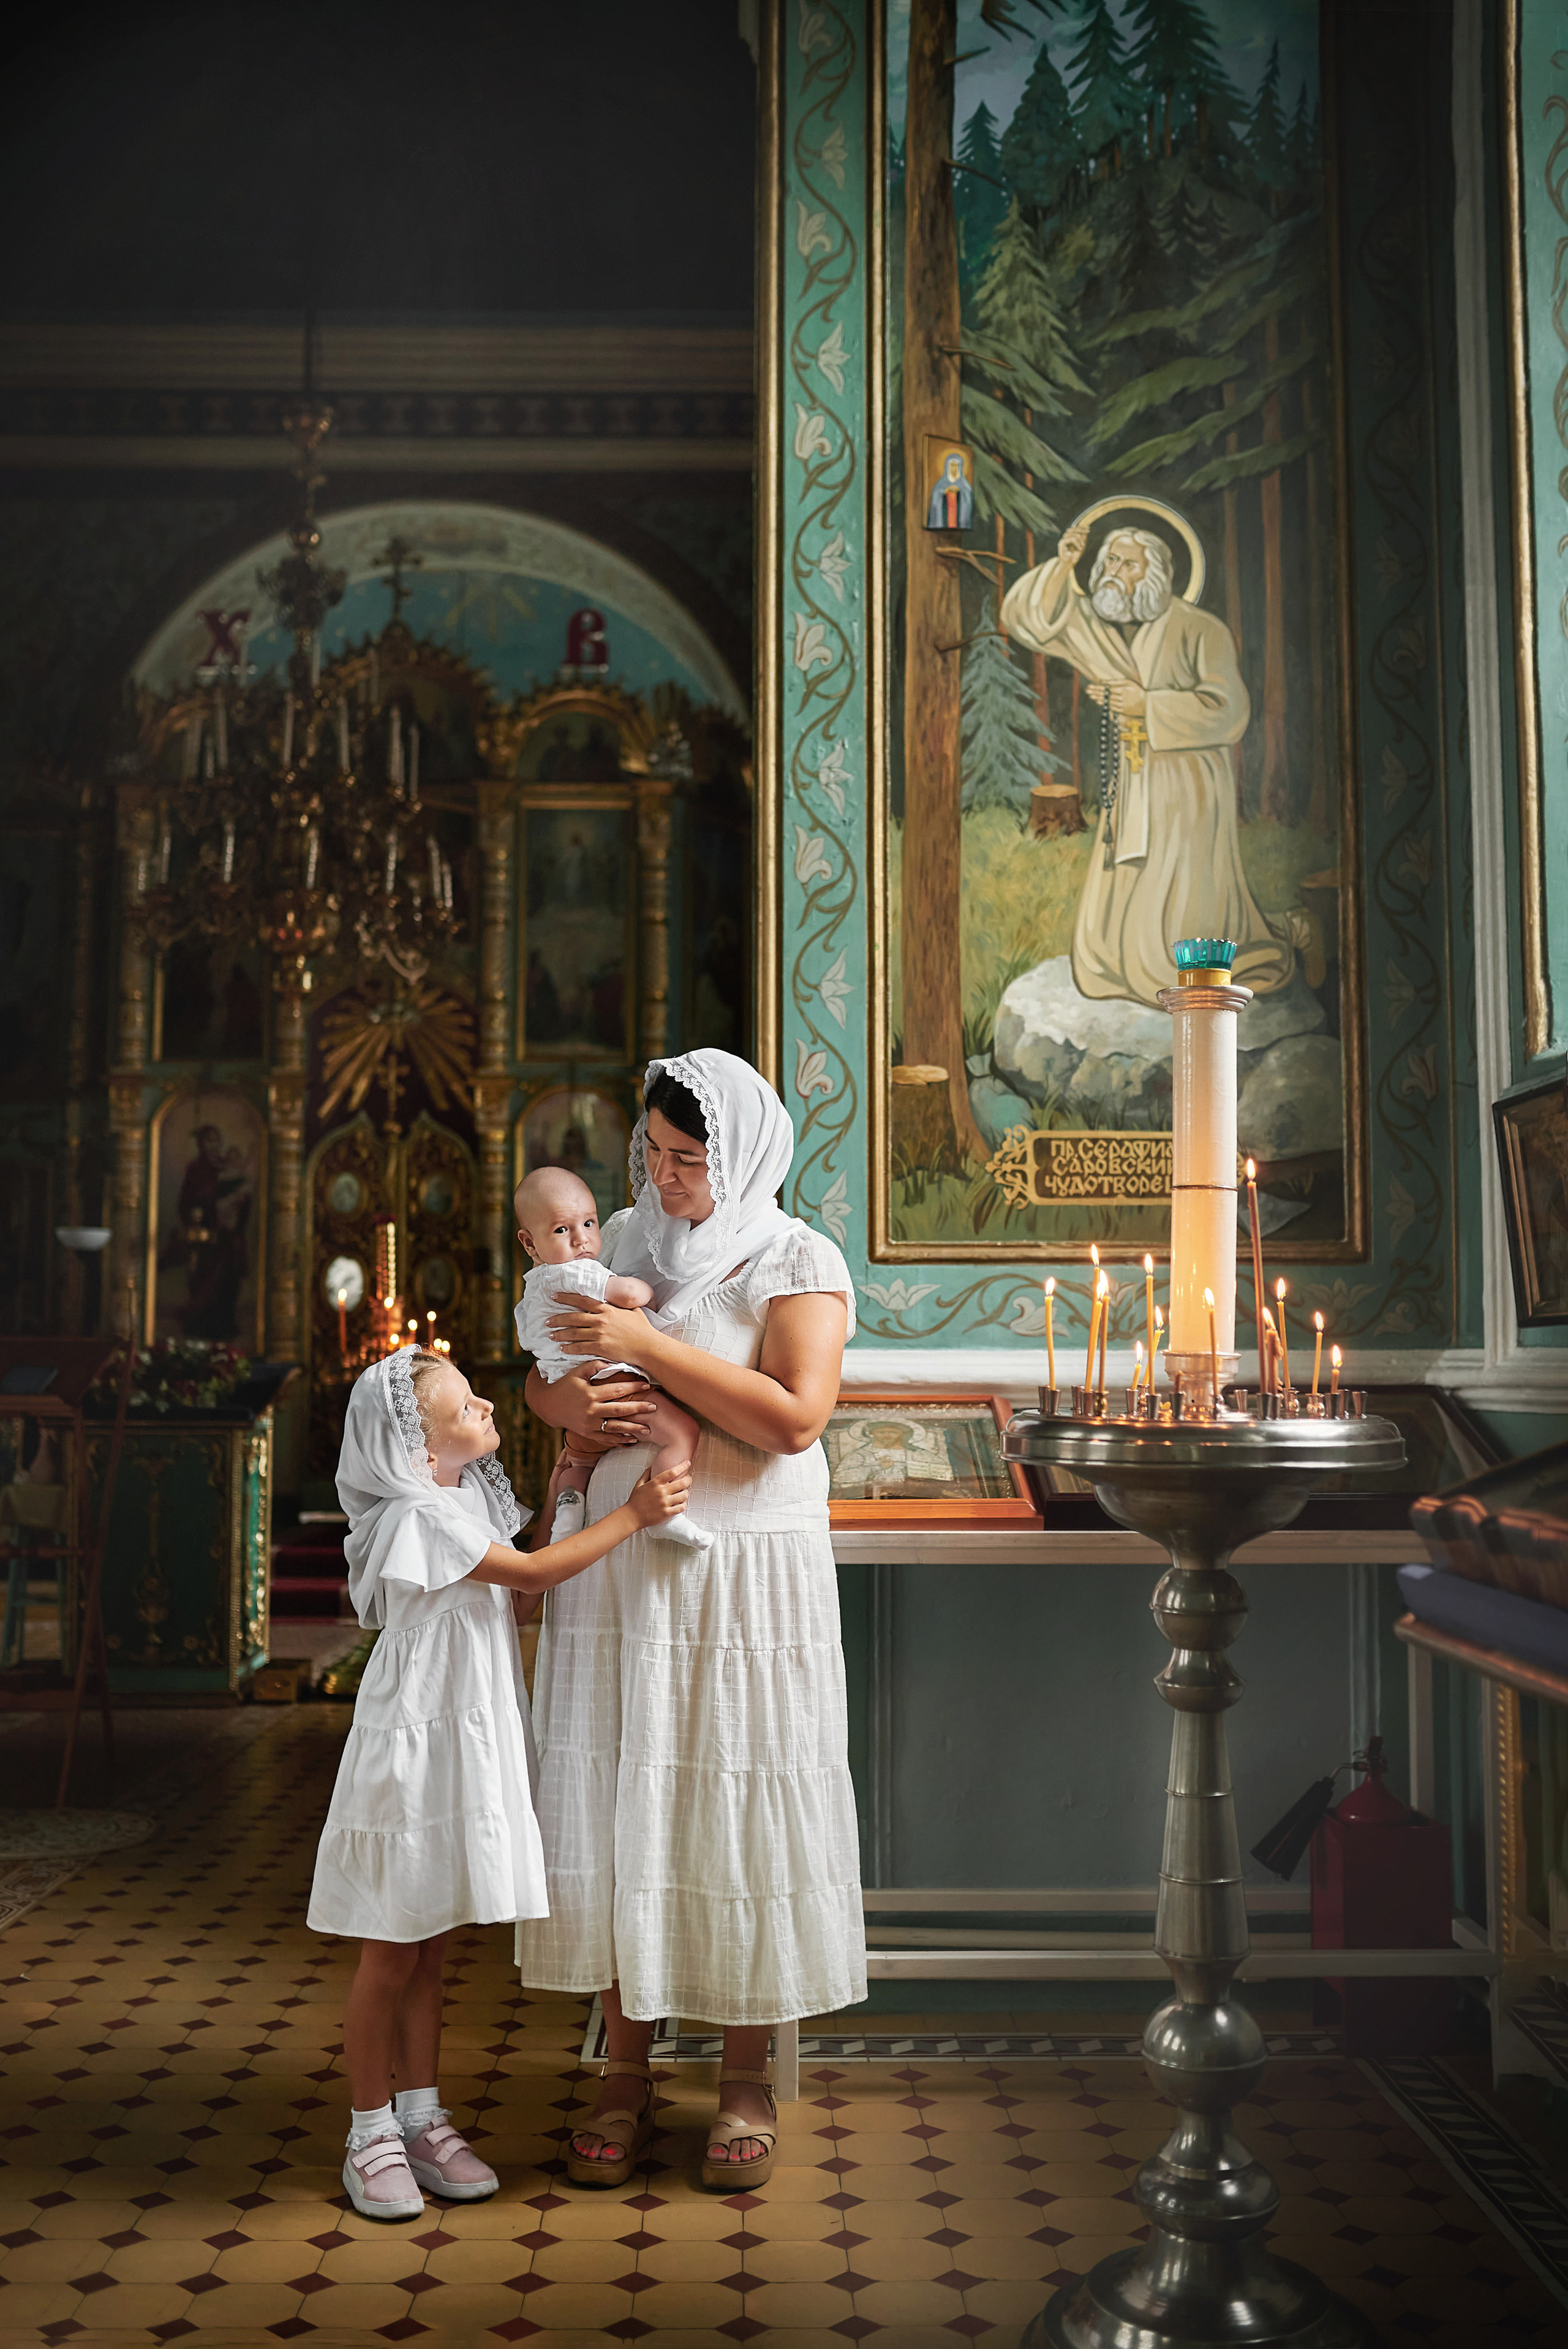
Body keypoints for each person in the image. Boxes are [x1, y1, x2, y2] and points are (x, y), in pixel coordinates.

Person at [518, 1048, 865, 2192]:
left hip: (746, 1574)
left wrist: (648, 1349)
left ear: (746, 1153)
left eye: (687, 1160)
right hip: (626, 1565)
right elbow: (539, 1376)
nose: (663, 1178)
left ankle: (745, 2077)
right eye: (654, 1155)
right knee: (631, 1796)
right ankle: (624, 2069)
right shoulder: (616, 1240)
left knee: (737, 1793)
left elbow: (795, 1417)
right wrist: (580, 1400)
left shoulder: (794, 1255)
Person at [307, 1347, 692, 2222]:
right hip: (415, 1746)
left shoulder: (461, 1499)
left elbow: (512, 1603)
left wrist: (563, 1489)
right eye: (465, 1405)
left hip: (465, 1737)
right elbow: (526, 1574)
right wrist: (632, 1512)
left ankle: (422, 2115)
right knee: (389, 1944)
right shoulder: (416, 1513)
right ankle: (369, 2131)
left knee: (431, 1941)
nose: (486, 1403)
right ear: (417, 1449)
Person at [1000, 521, 1294, 1007]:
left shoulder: (1202, 629)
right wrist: (1066, 563)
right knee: (1112, 924)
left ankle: (1190, 966)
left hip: (1187, 783)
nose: (1114, 572)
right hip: (1132, 778)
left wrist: (1146, 704)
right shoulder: (1098, 631)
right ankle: (1118, 964)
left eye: (1128, 564)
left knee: (1177, 885)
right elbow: (1029, 617)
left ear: (1155, 574)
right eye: (1109, 561)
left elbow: (1232, 712)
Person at [513, 1162, 710, 1553]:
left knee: (579, 1460)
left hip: (571, 1387)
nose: (581, 1239)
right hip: (612, 1385)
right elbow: (631, 1294)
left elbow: (532, 1346)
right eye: (561, 1229)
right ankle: (667, 1512)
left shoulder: (531, 1292)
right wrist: (648, 1295)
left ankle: (568, 1517)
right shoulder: (575, 1274)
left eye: (588, 1223)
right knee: (683, 1432)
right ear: (529, 1243)